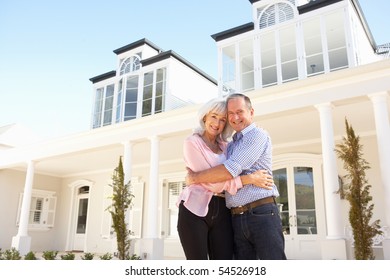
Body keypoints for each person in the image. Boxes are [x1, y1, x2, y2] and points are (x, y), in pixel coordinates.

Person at [186, 93, 287, 260]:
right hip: (236, 218)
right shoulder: (230, 145)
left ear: (251, 112)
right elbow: (222, 177)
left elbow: (228, 171)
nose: (235, 117)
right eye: (230, 114)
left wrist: (194, 178)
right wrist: (249, 178)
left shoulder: (257, 136)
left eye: (239, 111)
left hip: (261, 213)